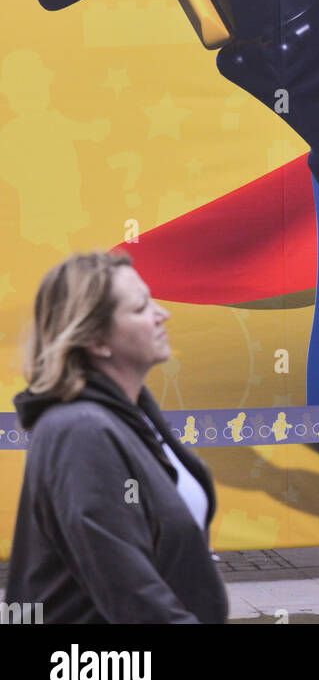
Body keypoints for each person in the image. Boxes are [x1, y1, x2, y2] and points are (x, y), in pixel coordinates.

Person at [5, 251, 228, 623]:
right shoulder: (80, 431)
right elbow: (132, 594)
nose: (162, 314)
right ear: (95, 338)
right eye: (141, 307)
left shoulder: (131, 411)